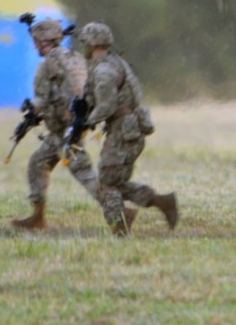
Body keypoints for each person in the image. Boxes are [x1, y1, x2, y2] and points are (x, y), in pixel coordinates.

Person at [75, 21, 177, 236]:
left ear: (91, 44)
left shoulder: (103, 70)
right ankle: (161, 202)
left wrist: (87, 123)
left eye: (84, 43)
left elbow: (107, 104)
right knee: (116, 182)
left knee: (106, 183)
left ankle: (120, 228)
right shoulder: (115, 62)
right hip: (127, 128)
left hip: (123, 130)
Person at [11, 18, 97, 231]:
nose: (35, 45)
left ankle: (121, 213)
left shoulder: (48, 63)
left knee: (83, 172)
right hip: (75, 124)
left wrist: (30, 116)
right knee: (38, 162)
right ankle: (37, 217)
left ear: (44, 42)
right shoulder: (74, 57)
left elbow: (41, 99)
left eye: (37, 41)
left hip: (66, 129)